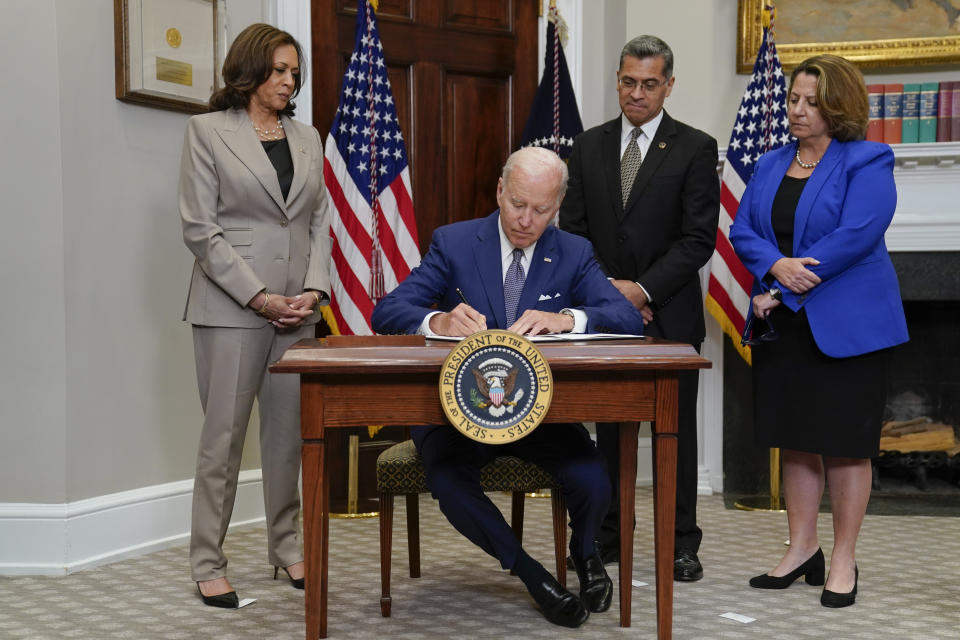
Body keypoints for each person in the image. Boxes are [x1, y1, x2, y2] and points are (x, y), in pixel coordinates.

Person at [372, 147, 644, 627]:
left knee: (591, 473)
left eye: (540, 210)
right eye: (518, 204)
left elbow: (626, 318)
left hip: (538, 412)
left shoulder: (573, 251)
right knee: (449, 483)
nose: (525, 220)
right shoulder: (454, 243)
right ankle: (533, 574)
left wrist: (567, 320)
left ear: (555, 207)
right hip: (456, 412)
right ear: (500, 191)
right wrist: (439, 319)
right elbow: (388, 311)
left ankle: (584, 555)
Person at [729, 54, 908, 608]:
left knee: (847, 448)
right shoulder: (769, 163)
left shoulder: (868, 158)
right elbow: (743, 230)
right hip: (788, 327)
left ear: (839, 105)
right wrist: (773, 266)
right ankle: (801, 547)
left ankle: (844, 557)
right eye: (793, 99)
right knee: (798, 440)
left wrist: (782, 285)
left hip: (848, 327)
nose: (798, 111)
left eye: (812, 102)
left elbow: (856, 236)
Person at [178, 23, 332, 608]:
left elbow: (319, 222)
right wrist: (260, 296)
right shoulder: (207, 132)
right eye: (279, 70)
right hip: (231, 308)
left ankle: (287, 548)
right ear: (249, 70)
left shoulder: (308, 137)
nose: (290, 82)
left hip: (300, 313)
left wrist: (313, 292)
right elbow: (200, 228)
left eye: (295, 72)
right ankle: (207, 562)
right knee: (223, 439)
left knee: (287, 439)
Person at [559, 35, 719, 581]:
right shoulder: (588, 146)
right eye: (628, 82)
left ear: (668, 86)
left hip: (670, 315)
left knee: (676, 430)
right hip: (605, 317)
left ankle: (680, 542)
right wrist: (611, 293)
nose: (637, 93)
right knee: (609, 428)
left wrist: (642, 291)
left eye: (650, 84)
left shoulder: (696, 148)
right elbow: (573, 235)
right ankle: (608, 533)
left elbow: (698, 240)